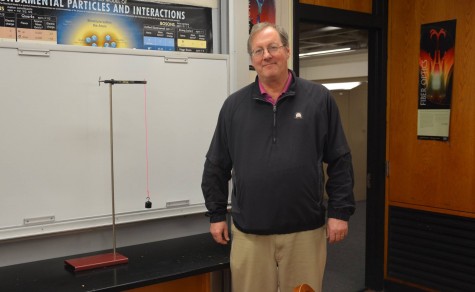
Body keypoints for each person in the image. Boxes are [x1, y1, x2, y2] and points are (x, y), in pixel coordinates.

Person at [201, 22, 355, 292]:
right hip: (250, 234)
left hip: (305, 233)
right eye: (258, 51)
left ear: (286, 51)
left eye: (272, 47)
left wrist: (339, 212)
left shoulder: (319, 100)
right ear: (252, 60)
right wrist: (215, 214)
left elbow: (340, 159)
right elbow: (216, 164)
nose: (266, 55)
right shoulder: (233, 107)